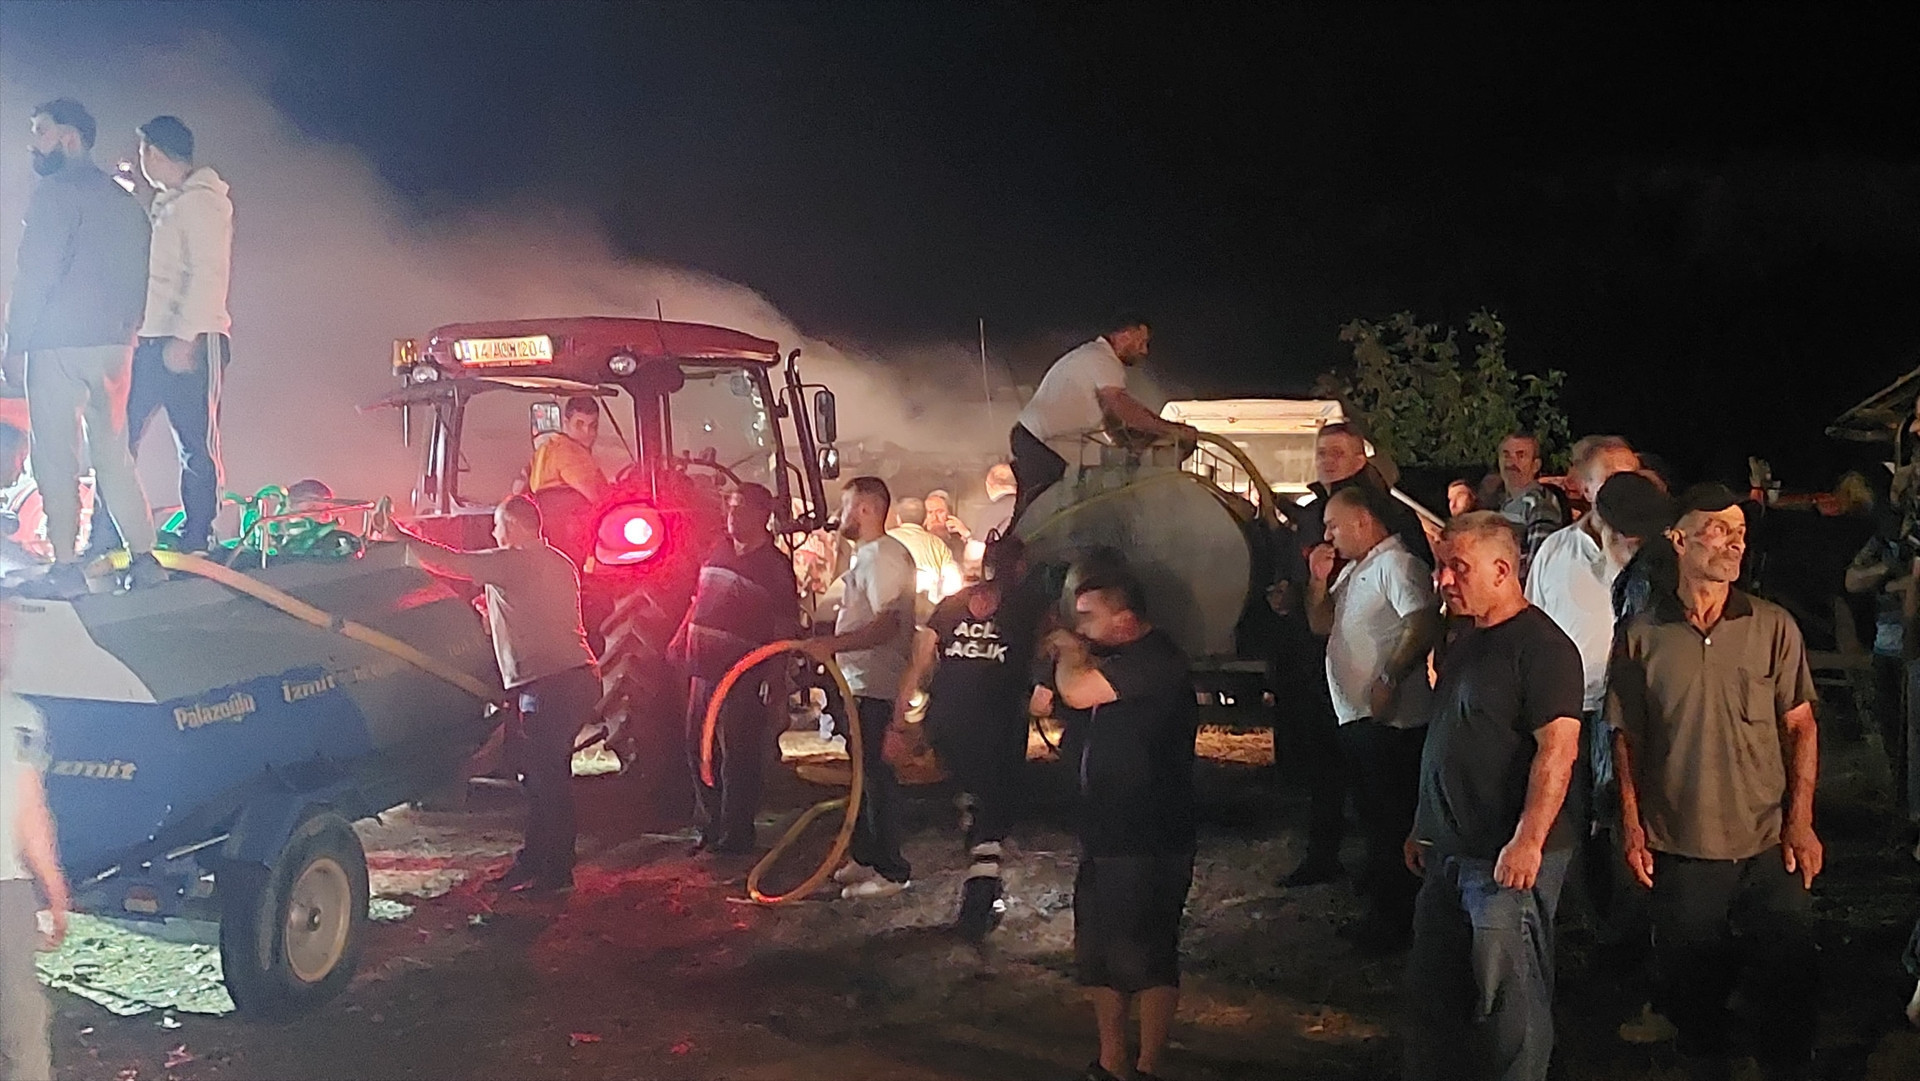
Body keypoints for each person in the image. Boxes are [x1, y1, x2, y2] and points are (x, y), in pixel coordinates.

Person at [1608, 482, 1822, 1080]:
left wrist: (1800, 824)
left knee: (1787, 976)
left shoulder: (1771, 626)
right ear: (1678, 540)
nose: (1734, 542)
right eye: (1718, 529)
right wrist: (1633, 824)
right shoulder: (1641, 635)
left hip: (1765, 840)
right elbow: (1627, 736)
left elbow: (1801, 727)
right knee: (1693, 985)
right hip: (1681, 841)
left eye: (1740, 531)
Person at [1404, 512, 1585, 1081]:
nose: (1444, 580)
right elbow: (1448, 737)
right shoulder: (1466, 640)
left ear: (1503, 570)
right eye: (1441, 566)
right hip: (1451, 853)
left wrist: (1528, 840)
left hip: (1505, 859)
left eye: (1458, 567)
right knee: (1438, 995)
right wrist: (1422, 823)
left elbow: (1557, 750)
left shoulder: (1544, 649)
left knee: (1510, 1006)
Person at [2, 99, 163, 598]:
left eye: (41, 132)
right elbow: (142, 277)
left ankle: (67, 566)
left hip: (59, 345)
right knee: (113, 455)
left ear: (69, 138)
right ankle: (145, 554)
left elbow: (36, 274)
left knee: (55, 456)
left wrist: (15, 342)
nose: (35, 143)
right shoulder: (125, 202)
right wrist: (127, 332)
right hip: (115, 348)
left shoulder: (55, 194)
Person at [1042, 570, 1196, 1081]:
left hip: (1150, 829)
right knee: (1099, 955)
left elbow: (1079, 692)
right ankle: (1112, 1063)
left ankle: (1149, 1066)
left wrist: (1068, 656)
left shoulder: (1158, 660)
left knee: (1147, 953)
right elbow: (1045, 701)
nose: (1079, 627)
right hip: (1102, 828)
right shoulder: (1108, 660)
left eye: (1089, 617)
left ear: (1126, 619)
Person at [405, 496, 597, 894]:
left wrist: (399, 539)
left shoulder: (515, 560)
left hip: (549, 684)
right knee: (545, 776)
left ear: (514, 524)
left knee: (547, 780)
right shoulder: (558, 562)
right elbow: (528, 608)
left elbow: (455, 563)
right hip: (574, 678)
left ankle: (554, 871)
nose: (494, 532)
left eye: (498, 524)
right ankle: (536, 861)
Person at [1272, 422, 1433, 888]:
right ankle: (1332, 858)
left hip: (1384, 706)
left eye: (1338, 453)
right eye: (1321, 452)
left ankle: (1390, 888)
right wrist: (1302, 587)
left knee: (1384, 800)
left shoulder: (1388, 531)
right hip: (1328, 678)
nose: (1327, 461)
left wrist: (1390, 675)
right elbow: (1319, 612)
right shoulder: (1316, 520)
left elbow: (1420, 615)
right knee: (1334, 771)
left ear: (1361, 459)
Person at [86, 116, 234, 558]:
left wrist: (185, 338)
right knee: (118, 438)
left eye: (143, 152)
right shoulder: (167, 203)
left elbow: (207, 274)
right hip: (150, 339)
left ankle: (198, 534)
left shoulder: (204, 203)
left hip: (193, 339)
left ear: (154, 153)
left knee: (194, 442)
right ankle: (106, 532)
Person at [1302, 484, 1438, 951]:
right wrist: (1317, 581)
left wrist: (1390, 677)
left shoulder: (1396, 565)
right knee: (1374, 820)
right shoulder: (1357, 569)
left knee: (1390, 822)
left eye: (1333, 524)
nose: (1328, 534)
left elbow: (1422, 620)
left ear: (1362, 521)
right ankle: (1384, 911)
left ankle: (1396, 922)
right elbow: (1321, 624)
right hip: (1359, 718)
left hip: (1391, 723)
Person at [905, 536, 1041, 939]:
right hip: (995, 725)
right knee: (991, 815)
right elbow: (1048, 651)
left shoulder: (951, 605)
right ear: (1020, 568)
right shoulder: (1029, 609)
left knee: (972, 803)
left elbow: (922, 658)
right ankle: (979, 903)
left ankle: (986, 889)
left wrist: (906, 713)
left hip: (949, 720)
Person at [800, 477, 917, 900]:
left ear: (866, 509)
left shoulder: (884, 557)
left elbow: (888, 624)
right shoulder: (868, 556)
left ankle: (891, 869)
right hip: (859, 681)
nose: (839, 514)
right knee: (863, 774)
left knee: (877, 778)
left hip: (876, 683)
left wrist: (832, 644)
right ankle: (865, 856)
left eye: (846, 505)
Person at [668, 484, 800, 855]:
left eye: (740, 508)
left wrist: (776, 677)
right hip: (703, 669)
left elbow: (784, 625)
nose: (731, 515)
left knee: (738, 757)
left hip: (741, 675)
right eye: (729, 506)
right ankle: (710, 827)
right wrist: (682, 637)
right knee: (699, 747)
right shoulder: (718, 550)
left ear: (762, 514)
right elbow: (699, 598)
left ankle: (736, 835)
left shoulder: (774, 567)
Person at [1008, 315, 1195, 525]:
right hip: (1038, 442)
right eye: (1141, 342)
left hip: (1035, 440)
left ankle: (1011, 550)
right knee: (1043, 515)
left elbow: (1113, 423)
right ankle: (1013, 554)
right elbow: (1122, 406)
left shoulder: (1094, 357)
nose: (1144, 351)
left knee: (1046, 511)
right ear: (1125, 335)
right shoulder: (1102, 359)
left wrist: (1137, 443)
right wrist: (1171, 430)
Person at [1, 603, 68, 1081]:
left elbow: (30, 810)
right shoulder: (19, 717)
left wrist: (49, 885)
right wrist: (54, 890)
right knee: (21, 1019)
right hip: (4, 890)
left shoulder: (20, 716)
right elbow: (30, 809)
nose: (10, 636)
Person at [525, 396, 609, 565]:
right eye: (580, 424)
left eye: (593, 426)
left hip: (547, 540)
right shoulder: (572, 453)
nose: (587, 432)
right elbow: (599, 499)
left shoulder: (547, 448)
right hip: (570, 539)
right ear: (565, 422)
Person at [1489, 433, 1566, 583]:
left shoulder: (1539, 502)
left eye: (1520, 455)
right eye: (1506, 455)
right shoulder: (1501, 503)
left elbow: (1539, 562)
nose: (1512, 462)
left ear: (1536, 465)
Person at [887, 495, 959, 610]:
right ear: (925, 518)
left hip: (888, 611)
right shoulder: (938, 544)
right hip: (927, 611)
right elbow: (954, 583)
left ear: (898, 518)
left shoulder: (883, 540)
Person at [923, 489, 968, 562]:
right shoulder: (918, 540)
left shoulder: (959, 541)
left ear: (949, 514)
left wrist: (967, 535)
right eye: (930, 512)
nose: (935, 517)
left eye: (940, 512)